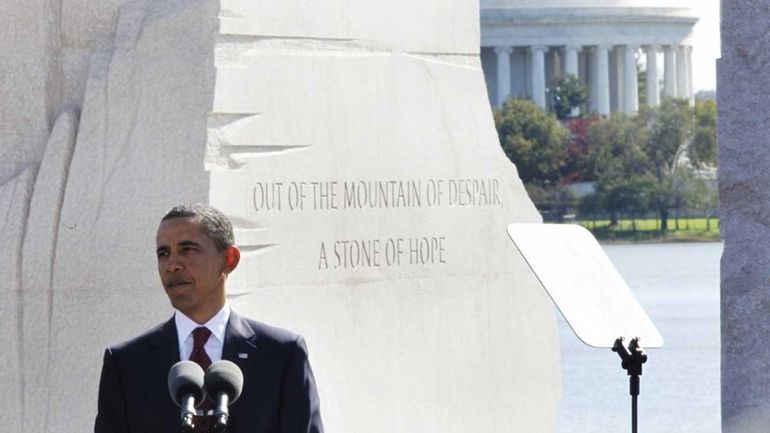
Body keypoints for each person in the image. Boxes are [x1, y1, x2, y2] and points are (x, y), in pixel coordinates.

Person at [94, 203, 323, 433]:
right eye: (163, 253)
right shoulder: (126, 364)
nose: (172, 265)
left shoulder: (281, 355)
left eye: (188, 249)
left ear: (229, 259)